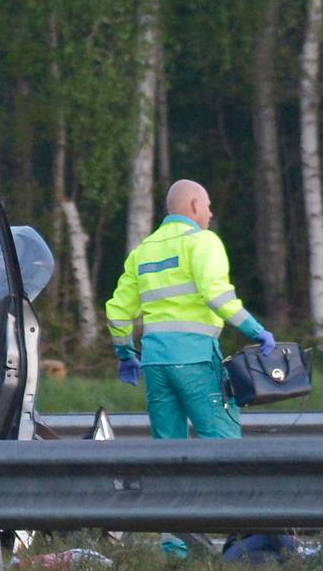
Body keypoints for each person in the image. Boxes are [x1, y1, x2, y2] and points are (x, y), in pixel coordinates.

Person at [104, 179, 275, 440]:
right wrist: (256, 330)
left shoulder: (142, 251)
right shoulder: (202, 241)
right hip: (197, 360)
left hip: (155, 364)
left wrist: (126, 355)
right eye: (208, 206)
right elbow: (217, 296)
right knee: (222, 446)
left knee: (167, 452)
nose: (210, 213)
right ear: (195, 205)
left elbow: (117, 312)